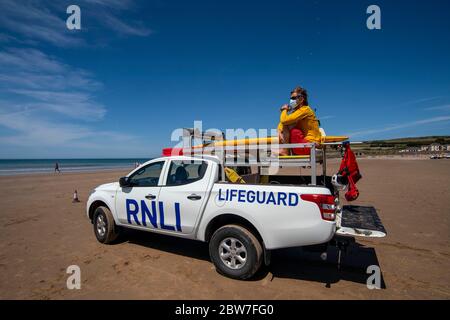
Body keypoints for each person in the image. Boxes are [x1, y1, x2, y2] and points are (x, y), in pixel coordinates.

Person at [277, 86, 321, 156]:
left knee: (292, 129)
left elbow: (284, 120)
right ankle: (285, 150)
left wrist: (284, 110)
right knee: (288, 126)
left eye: (293, 98)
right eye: (291, 98)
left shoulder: (305, 110)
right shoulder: (297, 112)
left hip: (311, 145)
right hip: (307, 145)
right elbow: (281, 124)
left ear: (301, 99)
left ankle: (285, 151)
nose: (291, 100)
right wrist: (279, 131)